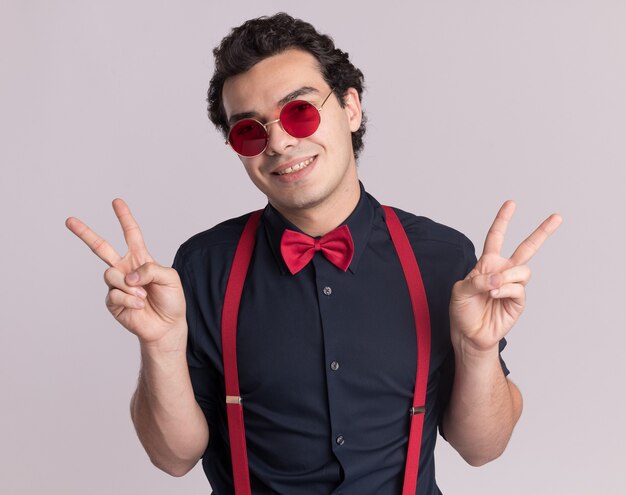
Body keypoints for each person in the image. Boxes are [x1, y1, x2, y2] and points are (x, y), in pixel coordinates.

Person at [66, 13, 562, 495]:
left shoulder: (443, 258)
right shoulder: (201, 268)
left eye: (298, 112)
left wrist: (477, 353)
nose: (279, 142)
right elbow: (173, 457)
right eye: (250, 131)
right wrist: (161, 346)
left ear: (350, 108)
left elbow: (483, 448)